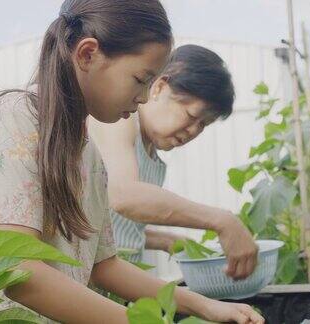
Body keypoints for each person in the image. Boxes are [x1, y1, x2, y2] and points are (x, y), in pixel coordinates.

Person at [0, 1, 264, 323]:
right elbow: (16, 270)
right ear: (87, 55)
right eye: (141, 79)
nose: (143, 97)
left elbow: (104, 265)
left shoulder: (87, 152)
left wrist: (205, 306)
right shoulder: (15, 117)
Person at [88, 44, 259, 280]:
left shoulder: (151, 154)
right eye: (191, 116)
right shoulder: (121, 121)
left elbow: (111, 226)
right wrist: (223, 221)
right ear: (159, 87)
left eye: (203, 125)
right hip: (87, 283)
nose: (192, 130)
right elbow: (123, 195)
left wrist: (166, 241)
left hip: (117, 282)